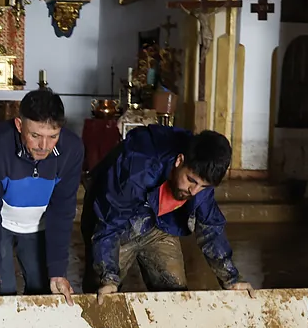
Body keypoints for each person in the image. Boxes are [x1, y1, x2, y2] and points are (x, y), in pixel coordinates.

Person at [82, 125, 252, 297]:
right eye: (190, 180)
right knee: (102, 295)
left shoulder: (200, 173)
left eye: (203, 186)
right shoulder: (138, 168)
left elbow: (210, 227)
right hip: (114, 221)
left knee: (174, 296)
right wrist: (108, 277)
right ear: (179, 160)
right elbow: (108, 223)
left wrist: (232, 278)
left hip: (158, 225)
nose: (193, 191)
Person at [0, 90, 84, 308]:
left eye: (53, 136)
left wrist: (58, 270)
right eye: (35, 136)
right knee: (1, 293)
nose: (44, 146)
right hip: (0, 222)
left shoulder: (72, 150)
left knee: (44, 293)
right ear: (19, 125)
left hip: (40, 226)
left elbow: (62, 210)